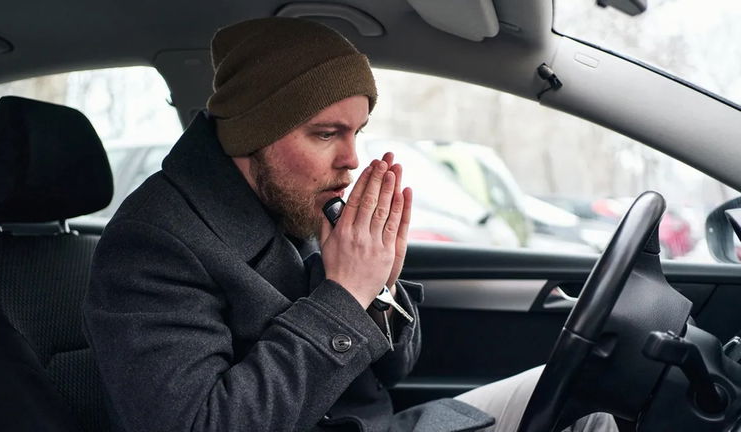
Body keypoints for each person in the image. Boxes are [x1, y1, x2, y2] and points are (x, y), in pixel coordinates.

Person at [83, 17, 618, 432]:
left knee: (590, 394)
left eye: (358, 131)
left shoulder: (296, 203)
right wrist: (344, 294)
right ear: (253, 134)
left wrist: (380, 286)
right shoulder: (155, 243)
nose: (351, 158)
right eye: (325, 134)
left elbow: (391, 372)